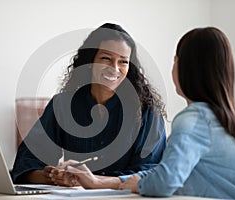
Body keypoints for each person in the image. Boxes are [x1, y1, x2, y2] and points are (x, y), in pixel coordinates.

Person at [58, 27, 235, 199]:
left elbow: (164, 182)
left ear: (184, 69)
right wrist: (105, 182)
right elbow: (164, 172)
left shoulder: (194, 120)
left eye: (175, 61)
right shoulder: (232, 117)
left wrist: (125, 184)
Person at [11, 23, 167, 185]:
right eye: (106, 58)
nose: (114, 68)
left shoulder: (148, 111)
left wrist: (93, 181)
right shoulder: (62, 105)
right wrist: (54, 176)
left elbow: (152, 171)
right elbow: (25, 165)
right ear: (90, 60)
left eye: (123, 62)